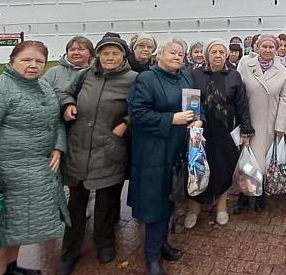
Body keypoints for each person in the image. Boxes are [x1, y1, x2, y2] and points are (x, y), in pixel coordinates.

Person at [0, 40, 68, 275]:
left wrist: (59, 147)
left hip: (34, 173)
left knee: (17, 227)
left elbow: (57, 121)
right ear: (12, 61)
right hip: (7, 176)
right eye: (26, 60)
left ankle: (12, 268)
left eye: (39, 61)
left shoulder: (44, 88)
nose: (33, 65)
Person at [58, 33, 137, 275]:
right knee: (76, 203)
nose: (110, 57)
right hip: (80, 147)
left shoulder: (134, 79)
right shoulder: (84, 75)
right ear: (98, 55)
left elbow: (142, 106)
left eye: (115, 53)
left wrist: (125, 123)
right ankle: (70, 251)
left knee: (106, 202)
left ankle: (104, 243)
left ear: (123, 55)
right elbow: (64, 93)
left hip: (109, 148)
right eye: (105, 53)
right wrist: (68, 104)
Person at [127, 39, 204, 275]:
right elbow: (138, 114)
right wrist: (171, 119)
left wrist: (197, 120)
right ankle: (151, 256)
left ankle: (162, 245)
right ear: (159, 55)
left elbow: (194, 105)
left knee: (170, 196)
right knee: (154, 201)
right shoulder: (146, 79)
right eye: (172, 52)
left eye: (181, 54)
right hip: (153, 150)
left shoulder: (186, 77)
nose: (178, 56)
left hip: (177, 147)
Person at [186, 39, 254, 227]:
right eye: (213, 52)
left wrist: (246, 130)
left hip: (226, 131)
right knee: (196, 169)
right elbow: (190, 101)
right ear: (207, 55)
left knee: (223, 168)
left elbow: (242, 104)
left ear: (226, 55)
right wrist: (193, 122)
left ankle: (221, 205)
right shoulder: (195, 74)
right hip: (201, 130)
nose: (217, 55)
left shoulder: (234, 76)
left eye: (221, 52)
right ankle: (194, 207)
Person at [236, 34, 286, 212]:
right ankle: (243, 195)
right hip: (248, 121)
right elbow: (238, 93)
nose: (267, 50)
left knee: (265, 162)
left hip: (270, 123)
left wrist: (280, 126)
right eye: (264, 47)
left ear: (276, 49)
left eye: (271, 47)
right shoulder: (245, 65)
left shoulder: (282, 71)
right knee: (246, 161)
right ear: (257, 47)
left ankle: (260, 195)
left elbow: (285, 99)